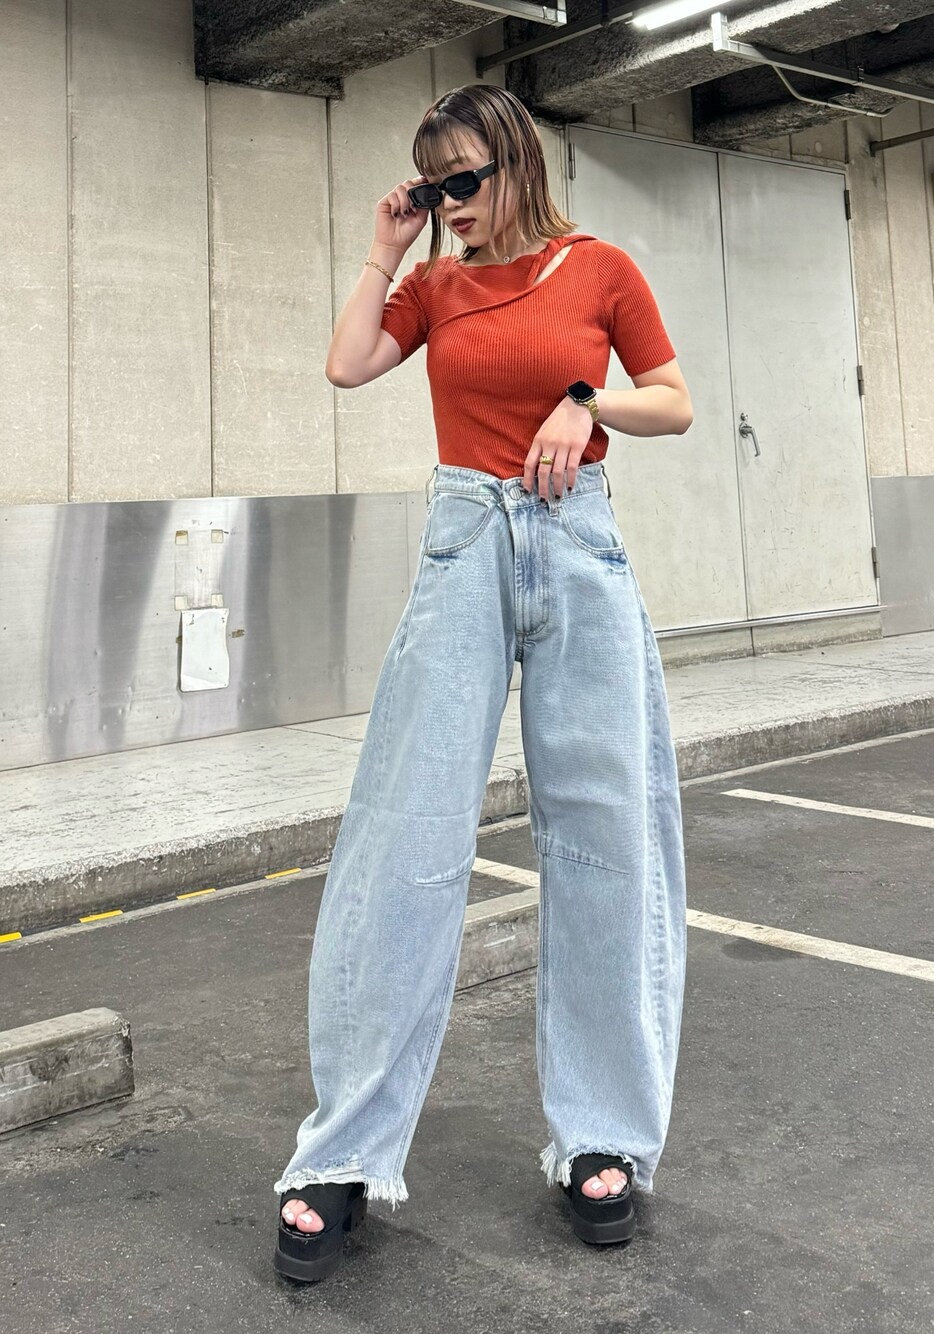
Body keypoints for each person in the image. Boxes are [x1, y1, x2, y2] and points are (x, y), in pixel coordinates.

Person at [273, 83, 693, 1283]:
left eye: (463, 180)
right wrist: (383, 247)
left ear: (515, 162)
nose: (450, 203)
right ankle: (343, 1152)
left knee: (609, 835)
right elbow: (347, 364)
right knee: (402, 837)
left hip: (578, 542)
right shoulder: (434, 285)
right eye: (433, 185)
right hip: (463, 544)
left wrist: (584, 399)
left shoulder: (598, 267)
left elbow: (672, 401)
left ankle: (603, 1136)